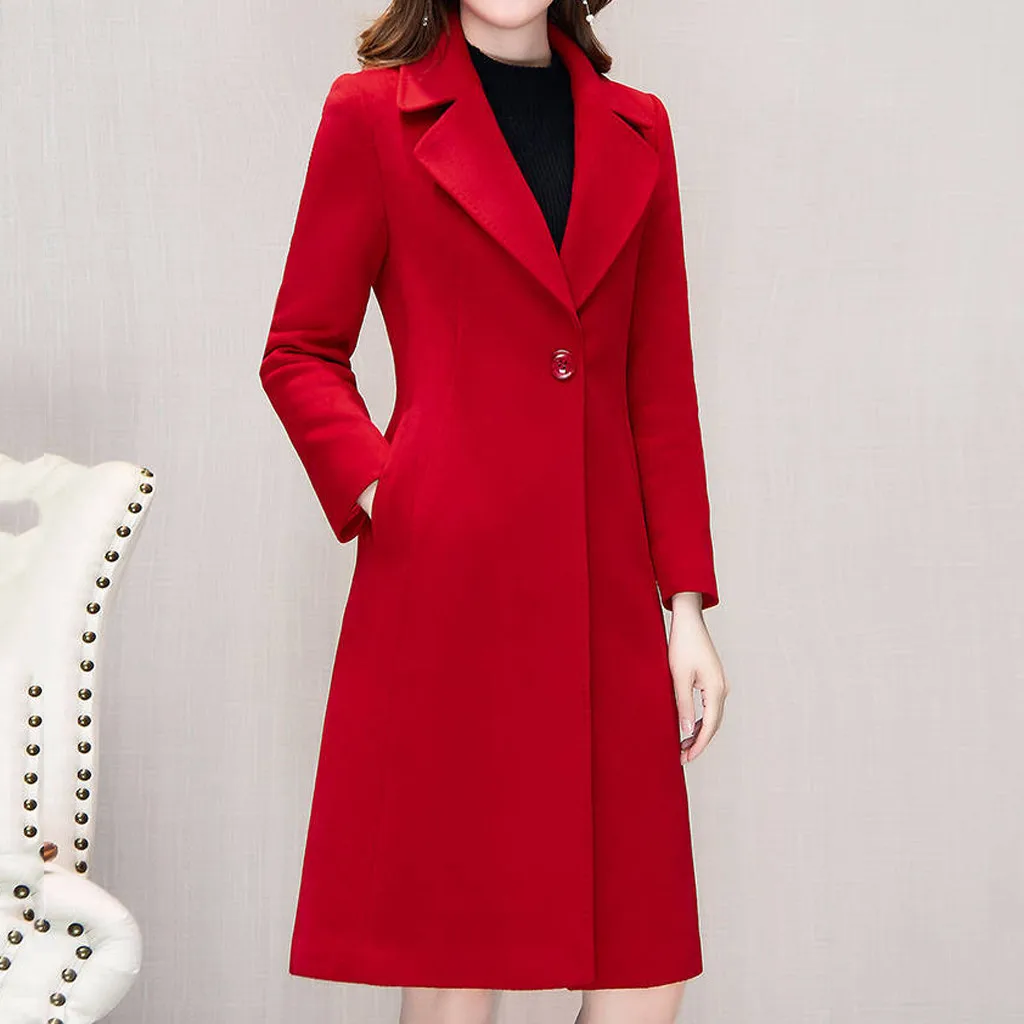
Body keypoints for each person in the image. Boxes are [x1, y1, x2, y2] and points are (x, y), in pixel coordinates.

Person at [259, 1, 731, 1021]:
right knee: (454, 957)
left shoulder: (639, 127)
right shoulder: (371, 114)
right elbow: (299, 349)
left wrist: (686, 605)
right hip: (449, 589)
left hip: (604, 595)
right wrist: (393, 493)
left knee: (645, 964)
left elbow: (657, 383)